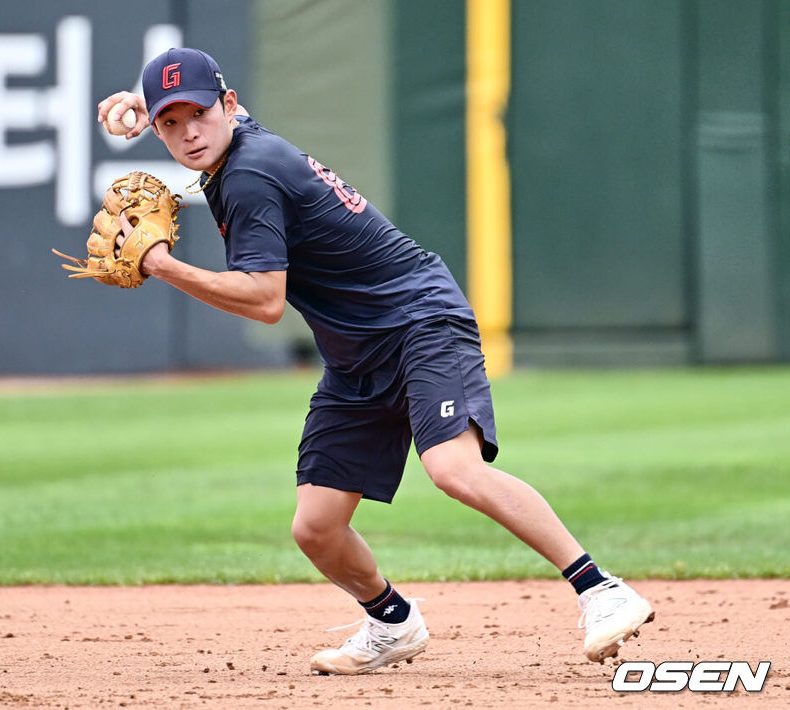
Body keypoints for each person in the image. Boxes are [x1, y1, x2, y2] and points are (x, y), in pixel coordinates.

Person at [98, 48, 654, 675]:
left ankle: (601, 588)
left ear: (226, 106)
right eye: (170, 123)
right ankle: (392, 622)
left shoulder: (251, 174)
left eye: (197, 113)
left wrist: (161, 265)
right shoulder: (237, 139)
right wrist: (149, 102)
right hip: (355, 355)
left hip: (418, 321)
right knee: (316, 528)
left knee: (453, 469)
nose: (188, 133)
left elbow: (264, 301)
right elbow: (197, 109)